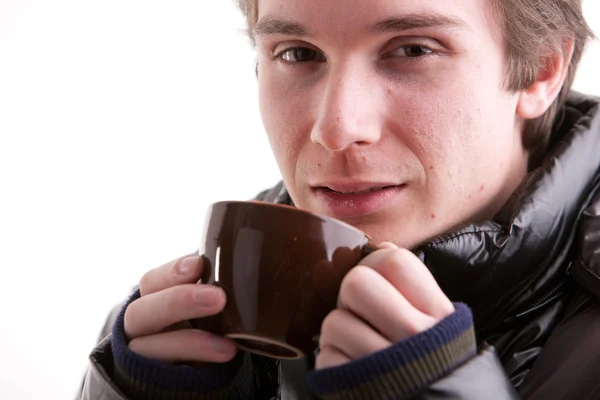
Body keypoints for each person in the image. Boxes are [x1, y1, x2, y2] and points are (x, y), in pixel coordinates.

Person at [77, 0, 600, 399]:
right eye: (298, 54)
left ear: (541, 72)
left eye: (414, 49)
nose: (336, 128)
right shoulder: (190, 322)